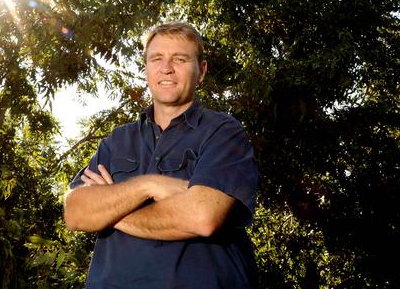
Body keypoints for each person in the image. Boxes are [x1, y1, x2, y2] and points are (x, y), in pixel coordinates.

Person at [64, 22, 259, 288]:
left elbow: (203, 217)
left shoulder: (223, 132)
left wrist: (110, 212)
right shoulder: (117, 140)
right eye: (157, 58)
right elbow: (76, 213)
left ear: (201, 71)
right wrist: (150, 185)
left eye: (180, 59)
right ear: (146, 70)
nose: (166, 68)